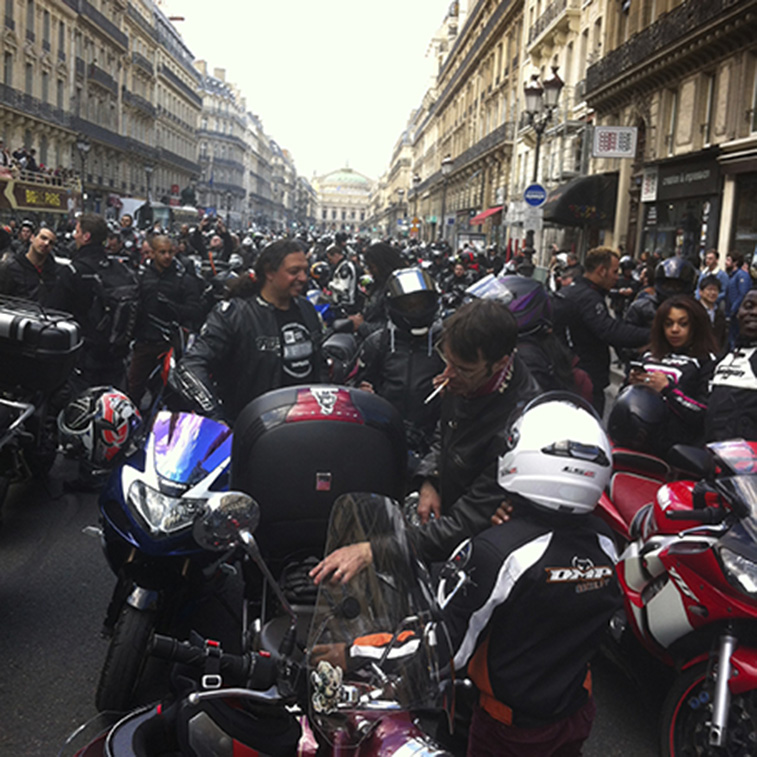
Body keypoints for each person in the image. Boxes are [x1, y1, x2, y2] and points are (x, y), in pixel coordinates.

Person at [314, 396, 621, 757]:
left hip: (509, 729)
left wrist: (351, 653)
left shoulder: (496, 552)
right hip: (574, 709)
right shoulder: (606, 542)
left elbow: (441, 647)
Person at [310, 299, 540, 580]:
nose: (448, 375)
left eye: (463, 369)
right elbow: (444, 432)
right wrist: (431, 478)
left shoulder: (519, 428)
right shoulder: (464, 381)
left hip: (479, 552)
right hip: (442, 516)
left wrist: (374, 551)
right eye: (447, 362)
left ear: (501, 363)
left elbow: (468, 523)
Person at [171, 239, 325, 423]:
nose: (303, 278)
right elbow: (191, 366)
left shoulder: (307, 310)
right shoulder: (234, 314)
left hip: (303, 428)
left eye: (304, 271)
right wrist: (216, 417)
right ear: (270, 272)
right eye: (294, 272)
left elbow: (319, 366)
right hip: (252, 430)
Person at [354, 267, 445, 467]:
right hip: (385, 437)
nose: (417, 310)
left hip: (434, 442)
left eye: (421, 304)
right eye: (409, 305)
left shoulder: (447, 343)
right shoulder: (378, 343)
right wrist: (363, 391)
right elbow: (359, 385)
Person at [48, 212, 138, 392]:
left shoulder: (73, 271)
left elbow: (53, 314)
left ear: (86, 237)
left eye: (77, 231)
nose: (74, 235)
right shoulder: (121, 269)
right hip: (117, 357)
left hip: (84, 358)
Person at [560, 247, 649, 414]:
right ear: (601, 271)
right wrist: (651, 335)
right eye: (614, 272)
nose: (617, 277)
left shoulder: (575, 290)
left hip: (574, 375)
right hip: (585, 379)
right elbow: (609, 330)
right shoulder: (588, 297)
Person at [625, 294, 717, 449]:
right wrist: (632, 385)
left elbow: (704, 414)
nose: (675, 330)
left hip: (678, 449)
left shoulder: (707, 362)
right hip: (637, 441)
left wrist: (669, 390)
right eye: (668, 324)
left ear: (696, 326)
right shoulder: (647, 355)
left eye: (683, 324)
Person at [127, 235, 204, 406]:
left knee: (172, 394)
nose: (167, 256)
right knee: (133, 390)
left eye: (170, 252)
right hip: (144, 344)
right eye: (162, 252)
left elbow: (196, 311)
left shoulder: (184, 280)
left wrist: (173, 308)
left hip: (172, 346)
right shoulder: (141, 277)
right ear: (153, 253)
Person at [706, 289, 757, 442]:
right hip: (713, 456)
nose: (754, 312)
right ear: (737, 313)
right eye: (748, 306)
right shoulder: (723, 358)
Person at [0, 225, 58, 304]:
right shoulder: (11, 268)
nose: (46, 243)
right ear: (32, 238)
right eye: (43, 238)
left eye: (51, 243)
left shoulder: (53, 272)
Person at [725, 251, 752, 348]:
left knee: (736, 337)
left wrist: (734, 309)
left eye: (728, 260)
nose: (726, 262)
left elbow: (743, 294)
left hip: (737, 313)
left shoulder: (742, 276)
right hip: (731, 313)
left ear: (735, 263)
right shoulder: (732, 276)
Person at [325, 240, 359, 314]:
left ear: (336, 255)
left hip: (346, 305)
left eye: (331, 259)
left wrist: (331, 284)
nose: (330, 261)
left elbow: (343, 288)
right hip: (342, 304)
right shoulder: (342, 265)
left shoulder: (345, 268)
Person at [698, 274, 728, 356]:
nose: (713, 293)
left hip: (716, 354)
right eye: (709, 289)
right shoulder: (695, 310)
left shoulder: (720, 313)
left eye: (715, 290)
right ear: (701, 292)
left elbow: (723, 337)